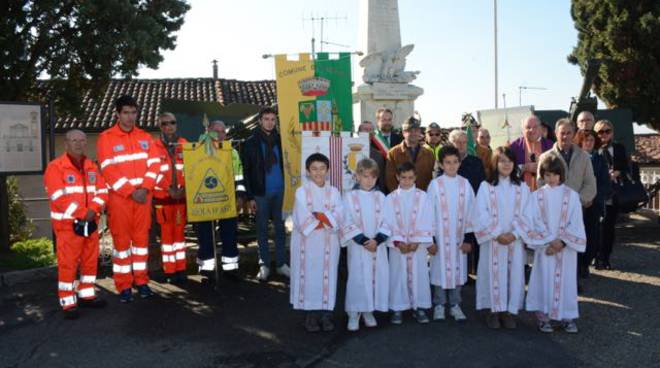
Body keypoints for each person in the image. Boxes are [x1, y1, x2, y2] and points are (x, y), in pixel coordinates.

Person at [97, 95, 161, 302]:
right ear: (117, 114)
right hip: (120, 201)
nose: (130, 117)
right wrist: (131, 191)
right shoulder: (106, 138)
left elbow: (154, 165)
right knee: (122, 245)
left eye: (133, 112)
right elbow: (108, 170)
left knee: (141, 243)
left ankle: (141, 282)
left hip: (143, 199)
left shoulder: (145, 137)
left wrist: (145, 188)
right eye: (126, 112)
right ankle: (124, 285)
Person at [44, 129, 108, 319]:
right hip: (68, 226)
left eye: (82, 140)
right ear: (66, 144)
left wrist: (93, 209)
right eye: (74, 140)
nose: (79, 144)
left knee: (90, 261)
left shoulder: (91, 166)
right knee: (68, 264)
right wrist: (83, 213)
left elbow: (102, 191)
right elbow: (58, 197)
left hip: (90, 223)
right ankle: (68, 302)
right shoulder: (56, 167)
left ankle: (86, 295)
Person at [524, 155, 586, 334]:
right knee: (544, 280)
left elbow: (576, 223)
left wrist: (562, 242)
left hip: (565, 250)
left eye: (555, 175)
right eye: (547, 175)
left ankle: (567, 317)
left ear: (561, 174)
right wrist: (550, 241)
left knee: (566, 282)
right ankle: (543, 317)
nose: (551, 179)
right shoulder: (537, 196)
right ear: (542, 175)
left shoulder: (572, 196)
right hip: (546, 249)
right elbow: (533, 221)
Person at [473, 147, 532, 329]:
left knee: (513, 275)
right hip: (493, 241)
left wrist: (513, 234)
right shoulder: (486, 187)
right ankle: (493, 310)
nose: (506, 164)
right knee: (491, 274)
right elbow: (480, 213)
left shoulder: (522, 188)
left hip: (514, 241)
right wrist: (498, 233)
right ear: (495, 163)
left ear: (515, 164)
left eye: (509, 161)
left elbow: (529, 215)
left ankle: (508, 311)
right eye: (502, 161)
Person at [290, 153, 343, 332]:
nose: (318, 172)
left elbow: (339, 215)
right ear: (307, 171)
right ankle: (310, 315)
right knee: (310, 277)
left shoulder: (334, 192)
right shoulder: (301, 192)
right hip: (308, 242)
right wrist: (325, 219)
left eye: (322, 168)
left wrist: (319, 216)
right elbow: (301, 216)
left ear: (327, 170)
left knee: (327, 276)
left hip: (329, 242)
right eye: (314, 169)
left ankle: (326, 315)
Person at [427, 146, 475, 322]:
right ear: (441, 164)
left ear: (459, 163)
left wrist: (469, 238)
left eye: (455, 162)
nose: (452, 166)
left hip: (459, 238)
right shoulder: (435, 185)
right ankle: (439, 304)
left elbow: (472, 211)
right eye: (447, 163)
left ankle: (455, 304)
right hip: (440, 238)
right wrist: (430, 239)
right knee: (440, 270)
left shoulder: (465, 184)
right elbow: (428, 212)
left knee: (457, 270)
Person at [340, 158, 389, 331]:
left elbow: (388, 220)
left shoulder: (381, 197)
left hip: (377, 246)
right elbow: (346, 220)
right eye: (365, 176)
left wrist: (378, 239)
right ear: (357, 177)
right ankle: (354, 312)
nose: (369, 180)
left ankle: (368, 310)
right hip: (358, 246)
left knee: (374, 278)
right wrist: (362, 240)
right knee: (357, 278)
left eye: (373, 177)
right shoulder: (349, 197)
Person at [240, 107, 289, 280]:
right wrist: (250, 197)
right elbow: (246, 171)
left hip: (280, 191)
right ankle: (264, 265)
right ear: (260, 121)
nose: (270, 122)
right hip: (260, 193)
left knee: (280, 229)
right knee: (261, 229)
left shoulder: (281, 141)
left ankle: (282, 264)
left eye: (272, 119)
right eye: (266, 119)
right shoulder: (251, 142)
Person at [194, 120, 245, 282]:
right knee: (205, 236)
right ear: (208, 131)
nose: (220, 135)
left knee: (229, 235)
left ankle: (230, 268)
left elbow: (239, 177)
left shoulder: (232, 153)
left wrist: (240, 196)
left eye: (223, 131)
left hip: (227, 201)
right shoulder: (198, 151)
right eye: (216, 131)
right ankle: (207, 270)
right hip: (205, 201)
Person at [383, 162, 434, 325]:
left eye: (410, 178)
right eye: (403, 178)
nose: (407, 181)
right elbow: (387, 221)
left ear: (415, 178)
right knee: (397, 275)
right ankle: (397, 307)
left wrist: (417, 241)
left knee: (419, 275)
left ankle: (419, 307)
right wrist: (397, 242)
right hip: (399, 247)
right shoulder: (390, 198)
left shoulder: (423, 197)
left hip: (416, 246)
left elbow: (428, 219)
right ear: (397, 177)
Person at [152, 112, 188, 284]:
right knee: (167, 238)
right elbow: (152, 174)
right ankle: (170, 271)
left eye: (172, 122)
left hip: (181, 199)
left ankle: (181, 269)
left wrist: (184, 188)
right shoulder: (153, 147)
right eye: (164, 123)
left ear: (176, 124)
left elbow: (192, 169)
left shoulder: (185, 145)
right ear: (160, 126)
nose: (169, 126)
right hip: (163, 200)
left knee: (180, 237)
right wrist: (168, 188)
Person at [575, 130, 611, 278]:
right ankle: (576, 267)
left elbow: (604, 184)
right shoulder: (574, 158)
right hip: (576, 205)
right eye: (585, 140)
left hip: (593, 205)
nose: (588, 143)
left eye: (591, 140)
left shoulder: (599, 159)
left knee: (592, 238)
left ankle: (585, 264)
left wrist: (592, 198)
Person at [537, 119, 597, 208]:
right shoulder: (545, 157)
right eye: (562, 133)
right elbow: (541, 183)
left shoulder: (584, 156)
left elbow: (590, 184)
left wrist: (576, 201)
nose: (565, 136)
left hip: (578, 208)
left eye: (569, 133)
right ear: (556, 133)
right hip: (554, 207)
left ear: (573, 134)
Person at [594, 119, 629, 270]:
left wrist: (617, 172)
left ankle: (605, 258)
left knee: (608, 227)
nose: (604, 134)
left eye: (607, 131)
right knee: (595, 227)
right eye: (600, 131)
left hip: (613, 193)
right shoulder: (592, 149)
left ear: (612, 132)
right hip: (596, 193)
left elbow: (627, 167)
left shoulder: (619, 148)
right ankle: (594, 256)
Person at [385, 117, 435, 192]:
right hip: (401, 199)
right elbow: (390, 180)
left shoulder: (429, 154)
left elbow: (432, 178)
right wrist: (400, 197)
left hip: (423, 199)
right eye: (409, 130)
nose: (413, 133)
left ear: (419, 132)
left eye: (416, 130)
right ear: (403, 133)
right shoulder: (393, 153)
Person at [509, 115, 553, 191]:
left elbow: (557, 170)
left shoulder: (550, 146)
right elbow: (507, 171)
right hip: (521, 193)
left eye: (535, 127)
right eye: (528, 127)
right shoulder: (514, 147)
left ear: (541, 128)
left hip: (545, 193)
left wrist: (542, 169)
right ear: (523, 130)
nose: (532, 130)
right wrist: (524, 167)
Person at [357, 120, 387, 192]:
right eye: (366, 129)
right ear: (358, 133)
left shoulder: (378, 155)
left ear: (373, 134)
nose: (368, 132)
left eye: (371, 130)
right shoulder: (348, 150)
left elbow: (381, 179)